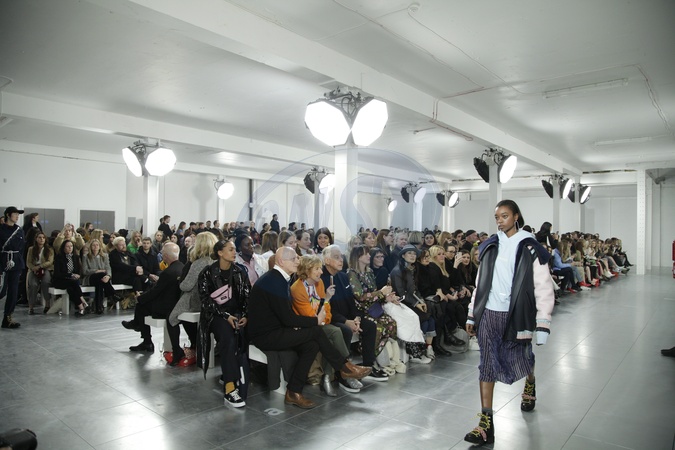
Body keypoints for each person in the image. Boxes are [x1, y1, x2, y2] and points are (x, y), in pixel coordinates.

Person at [464, 200, 554, 445]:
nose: (500, 221)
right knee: (486, 364)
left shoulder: (531, 248)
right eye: (497, 217)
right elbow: (480, 284)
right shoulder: (490, 246)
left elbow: (543, 287)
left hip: (517, 315)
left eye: (504, 216)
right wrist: (472, 313)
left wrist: (543, 322)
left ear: (516, 216)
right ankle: (486, 424)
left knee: (522, 357)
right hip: (488, 314)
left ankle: (530, 383)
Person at [247, 247, 371, 409]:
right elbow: (287, 318)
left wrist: (308, 322)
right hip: (265, 335)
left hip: (276, 329)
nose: (298, 261)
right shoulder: (274, 281)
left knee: (311, 345)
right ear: (281, 262)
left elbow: (285, 316)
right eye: (294, 259)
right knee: (316, 331)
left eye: (297, 258)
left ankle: (294, 391)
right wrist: (314, 321)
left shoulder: (278, 278)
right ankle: (344, 367)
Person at [198, 239, 250, 407]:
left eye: (235, 249)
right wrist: (226, 315)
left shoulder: (240, 271)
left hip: (236, 315)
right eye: (230, 249)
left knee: (244, 333)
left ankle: (233, 372)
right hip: (215, 316)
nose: (234, 253)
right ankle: (230, 387)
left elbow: (247, 296)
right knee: (228, 337)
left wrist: (245, 315)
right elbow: (206, 301)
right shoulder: (207, 273)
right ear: (220, 253)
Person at [291, 255, 351, 397]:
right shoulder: (297, 289)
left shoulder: (319, 284)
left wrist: (325, 310)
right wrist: (326, 303)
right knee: (335, 332)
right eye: (317, 269)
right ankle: (347, 368)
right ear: (307, 270)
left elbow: (326, 312)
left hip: (320, 323)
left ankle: (329, 377)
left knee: (334, 335)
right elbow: (309, 317)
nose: (321, 272)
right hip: (306, 326)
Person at [121, 243, 184, 356]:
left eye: (162, 253)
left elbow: (155, 292)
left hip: (168, 307)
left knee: (141, 305)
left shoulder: (167, 272)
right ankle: (138, 327)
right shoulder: (182, 267)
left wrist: (140, 298)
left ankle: (145, 338)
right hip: (177, 304)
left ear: (166, 256)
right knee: (144, 303)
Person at [390, 245, 435, 362]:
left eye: (414, 253)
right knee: (421, 319)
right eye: (409, 253)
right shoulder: (397, 271)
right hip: (401, 303)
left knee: (430, 318)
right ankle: (415, 352)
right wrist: (416, 303)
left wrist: (421, 301)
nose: (412, 256)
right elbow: (400, 293)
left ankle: (428, 347)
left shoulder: (412, 269)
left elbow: (415, 289)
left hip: (413, 301)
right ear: (403, 255)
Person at [1, 207, 26, 328]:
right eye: (15, 214)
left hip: (15, 264)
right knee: (1, 291)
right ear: (8, 215)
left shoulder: (19, 230)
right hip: (2, 262)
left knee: (13, 291)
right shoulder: (1, 229)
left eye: (18, 214)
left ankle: (7, 318)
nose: (17, 216)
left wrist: (19, 262)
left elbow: (22, 248)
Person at [52, 240, 90, 316]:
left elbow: (78, 270)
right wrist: (71, 275)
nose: (70, 248)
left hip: (72, 281)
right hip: (60, 280)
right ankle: (83, 302)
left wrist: (77, 275)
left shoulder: (76, 257)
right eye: (68, 246)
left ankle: (81, 308)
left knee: (71, 289)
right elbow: (57, 274)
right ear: (63, 248)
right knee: (73, 283)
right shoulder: (58, 257)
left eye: (71, 246)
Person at [81, 239, 117, 314]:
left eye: (97, 245)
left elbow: (108, 267)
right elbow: (85, 271)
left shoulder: (105, 256)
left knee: (100, 283)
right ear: (90, 247)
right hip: (90, 277)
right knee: (101, 275)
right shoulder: (86, 256)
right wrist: (96, 271)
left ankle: (99, 307)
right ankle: (112, 294)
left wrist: (108, 276)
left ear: (100, 246)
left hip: (101, 279)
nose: (95, 247)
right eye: (93, 245)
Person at [26, 231, 53, 315]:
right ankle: (31, 307)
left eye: (43, 238)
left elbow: (50, 261)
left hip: (45, 268)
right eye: (40, 237)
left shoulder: (49, 249)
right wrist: (33, 268)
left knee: (46, 282)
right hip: (34, 269)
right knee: (33, 285)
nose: (42, 239)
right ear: (36, 239)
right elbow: (28, 262)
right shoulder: (31, 249)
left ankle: (47, 304)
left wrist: (40, 266)